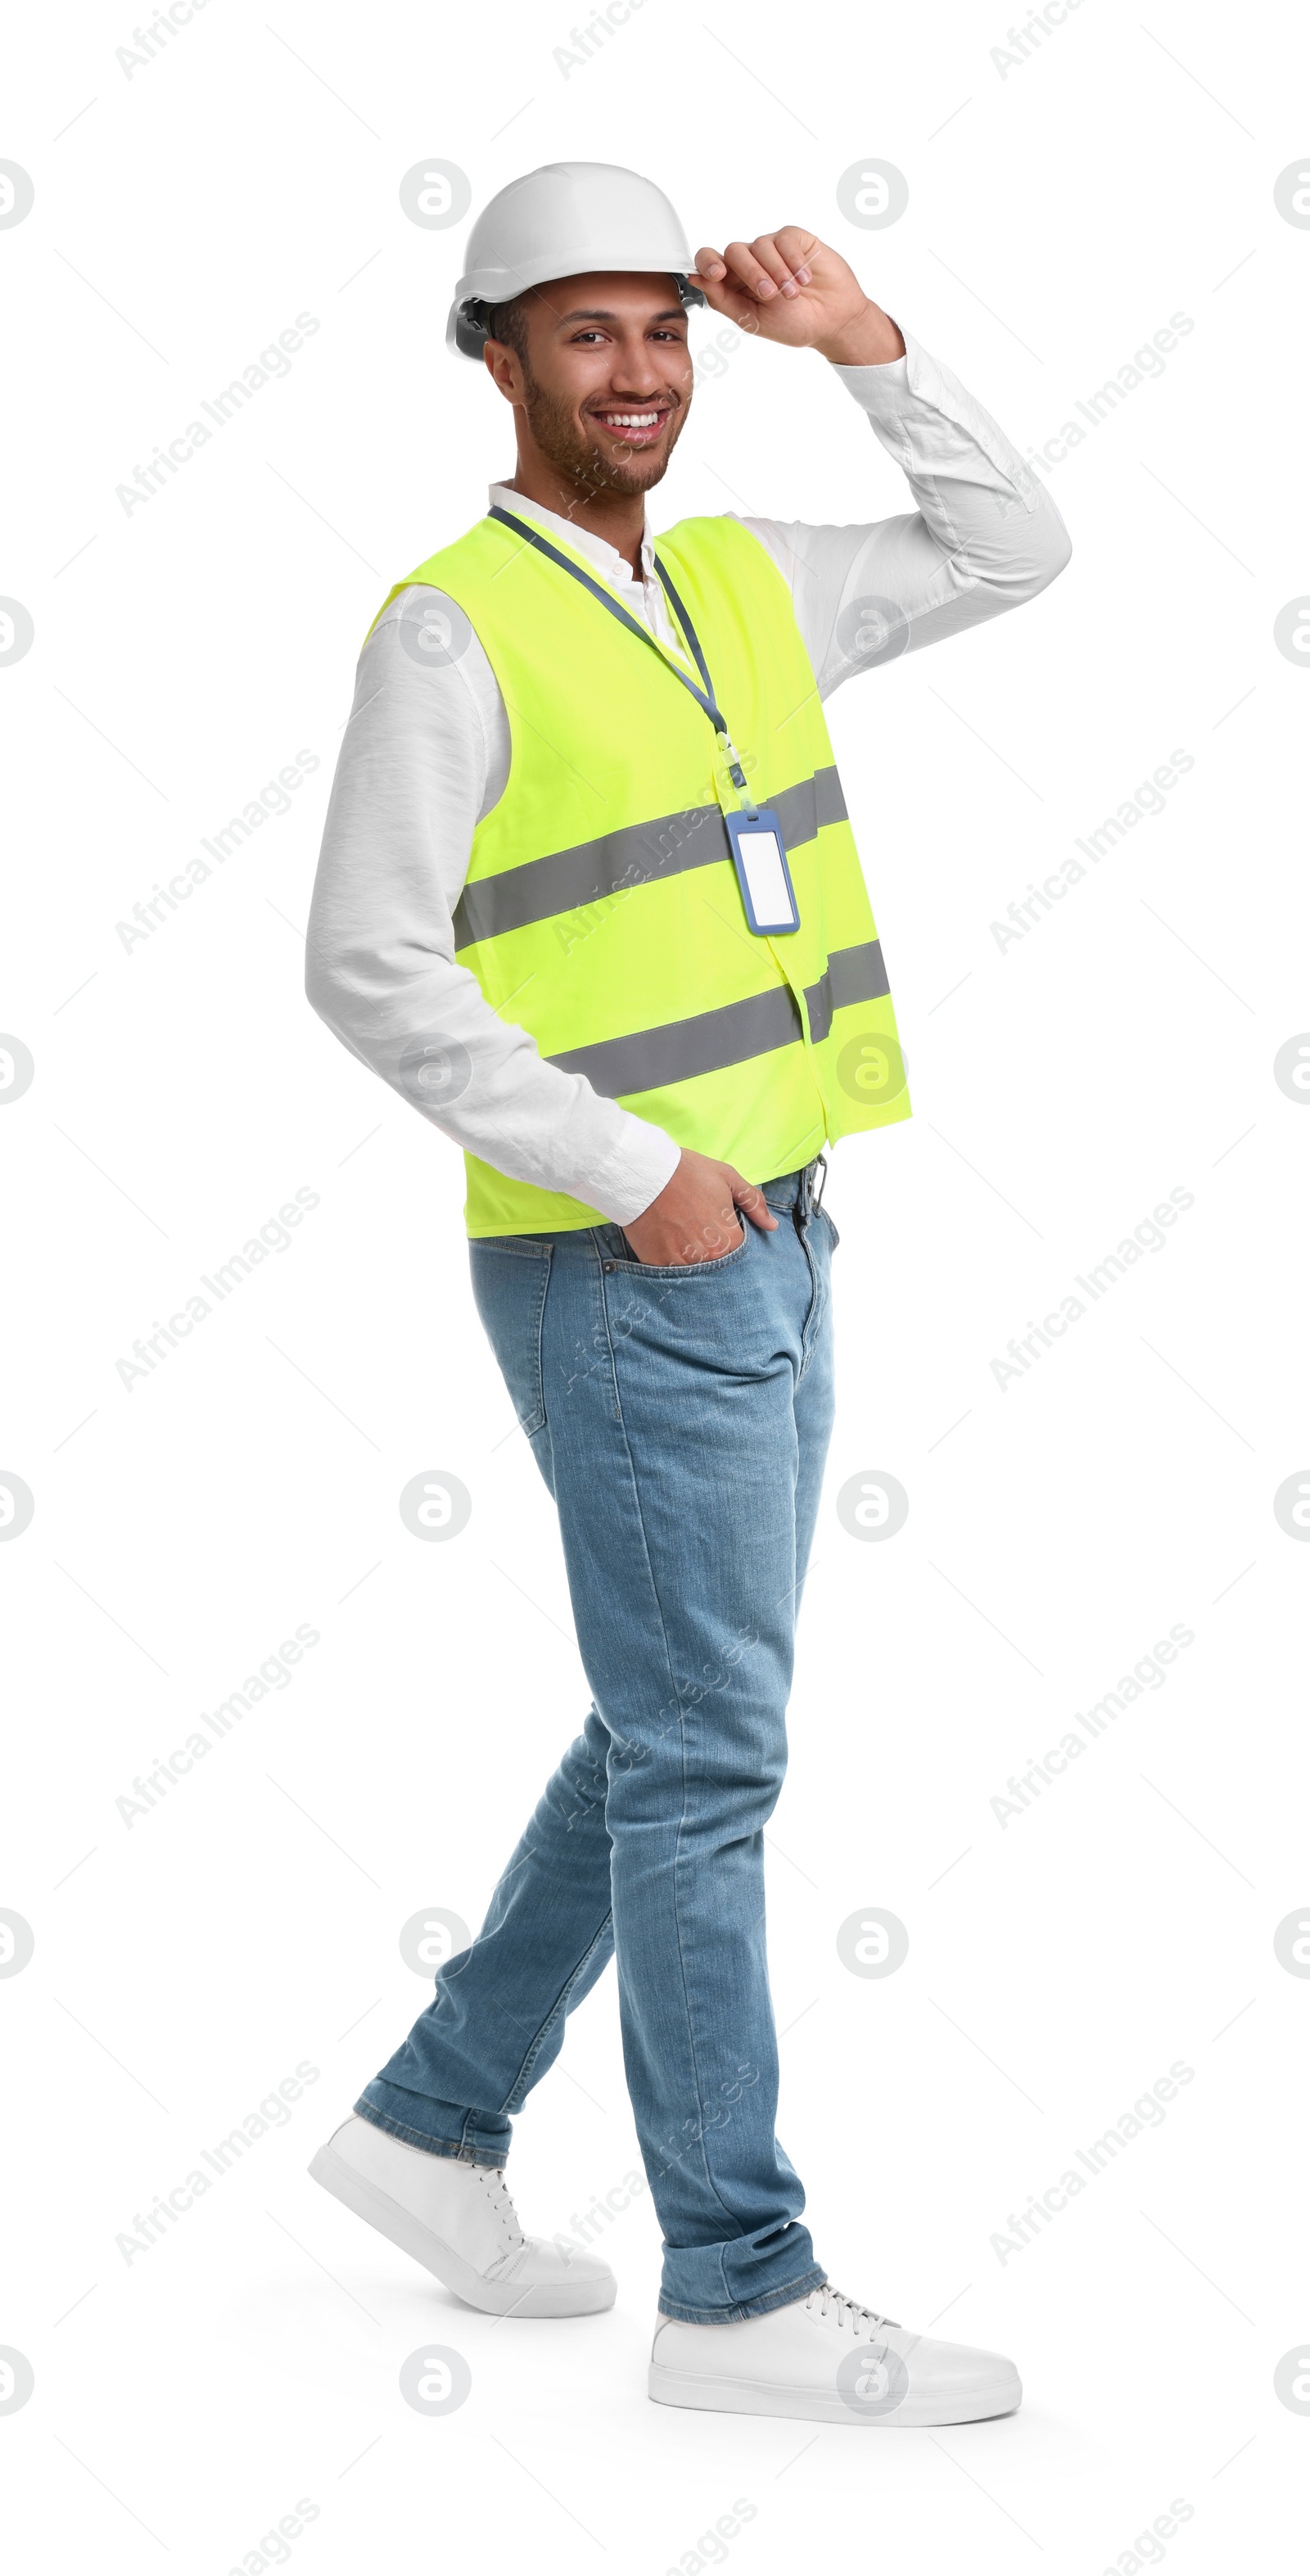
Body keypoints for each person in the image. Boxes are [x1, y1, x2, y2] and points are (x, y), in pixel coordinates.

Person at [304, 160, 1069, 2427]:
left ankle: (434, 2125)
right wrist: (638, 1177)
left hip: (787, 1231)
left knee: (673, 1722)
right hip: (628, 1256)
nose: (636, 372)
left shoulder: (749, 581)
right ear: (495, 358)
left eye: (665, 331)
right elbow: (365, 958)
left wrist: (865, 343)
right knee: (710, 1753)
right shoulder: (451, 628)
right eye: (583, 333)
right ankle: (739, 2285)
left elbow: (1014, 549)